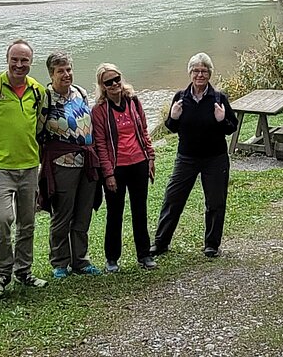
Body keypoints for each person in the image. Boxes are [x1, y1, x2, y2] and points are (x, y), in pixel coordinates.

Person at [0, 39, 47, 299]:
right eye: (15, 59)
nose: (19, 64)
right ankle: (2, 274)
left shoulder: (37, 91)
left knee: (28, 223)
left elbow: (39, 126)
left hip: (28, 167)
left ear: (30, 62)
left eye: (24, 60)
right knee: (2, 219)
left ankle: (23, 271)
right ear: (7, 60)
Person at [150, 52, 238, 259]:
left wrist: (222, 119)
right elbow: (172, 128)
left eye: (204, 71)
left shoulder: (218, 98)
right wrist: (172, 117)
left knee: (215, 202)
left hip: (215, 159)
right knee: (173, 199)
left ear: (210, 73)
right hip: (186, 158)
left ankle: (211, 245)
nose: (200, 75)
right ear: (190, 73)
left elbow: (231, 127)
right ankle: (161, 243)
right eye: (196, 71)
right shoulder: (181, 97)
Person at [38, 51, 101, 279]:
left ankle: (81, 261)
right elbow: (38, 132)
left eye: (68, 69)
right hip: (62, 164)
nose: (66, 74)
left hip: (86, 162)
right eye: (60, 71)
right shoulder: (46, 99)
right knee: (62, 214)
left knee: (83, 213)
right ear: (51, 74)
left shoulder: (80, 93)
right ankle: (60, 262)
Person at [91, 63, 156, 272]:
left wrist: (150, 157)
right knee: (115, 213)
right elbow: (100, 143)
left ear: (121, 78)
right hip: (116, 168)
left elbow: (144, 131)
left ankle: (144, 255)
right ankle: (112, 258)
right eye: (108, 82)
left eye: (116, 79)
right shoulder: (99, 110)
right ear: (102, 85)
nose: (114, 84)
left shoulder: (133, 102)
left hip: (139, 163)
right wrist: (107, 173)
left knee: (140, 210)